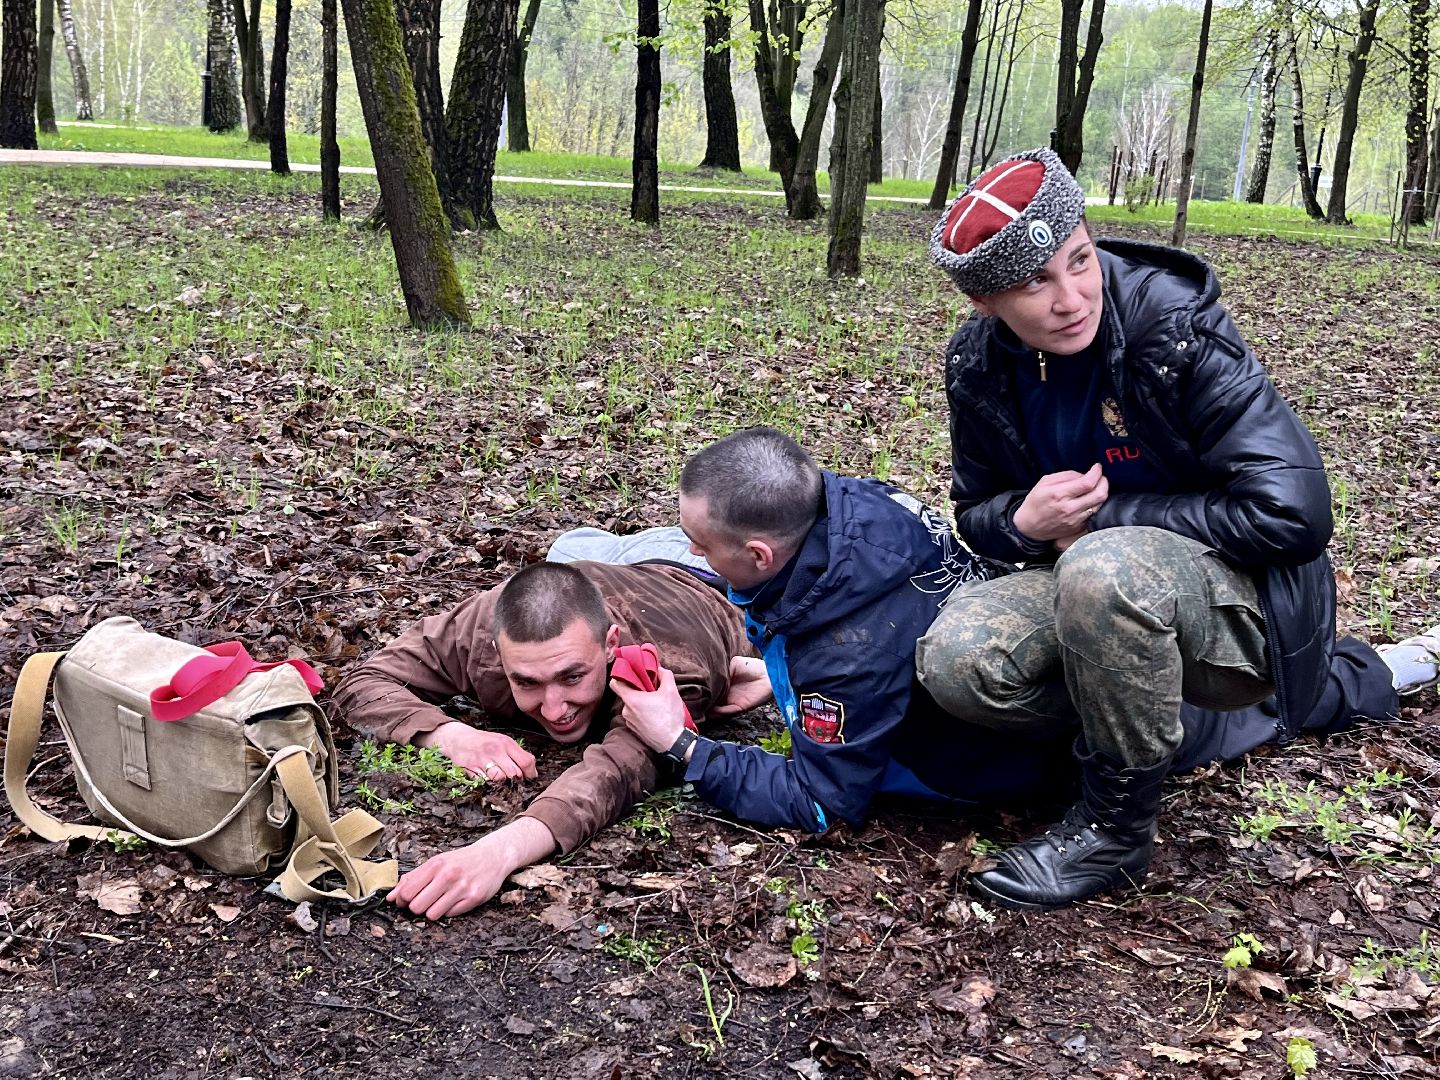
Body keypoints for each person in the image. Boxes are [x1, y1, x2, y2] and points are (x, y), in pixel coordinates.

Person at [920, 146, 1437, 911]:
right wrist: (1023, 520)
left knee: (1105, 566)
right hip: (1088, 594)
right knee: (958, 662)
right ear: (983, 302)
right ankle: (1153, 728)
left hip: (1237, 604)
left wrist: (1107, 518)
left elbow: (1295, 512)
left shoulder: (1172, 325)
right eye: (1035, 284)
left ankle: (1115, 832)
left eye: (1080, 261)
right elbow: (977, 512)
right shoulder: (977, 364)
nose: (1071, 297)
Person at [615, 426, 1097, 832]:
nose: (695, 553)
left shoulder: (845, 656)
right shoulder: (859, 502)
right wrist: (785, 678)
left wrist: (681, 744)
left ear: (760, 554)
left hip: (1002, 762)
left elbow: (822, 802)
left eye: (700, 544)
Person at [334, 560, 763, 919]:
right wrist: (450, 735)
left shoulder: (670, 666)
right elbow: (364, 681)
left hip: (700, 581)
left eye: (572, 677)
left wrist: (499, 852)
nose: (555, 709)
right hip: (595, 566)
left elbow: (617, 771)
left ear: (610, 645)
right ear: (498, 650)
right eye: (527, 682)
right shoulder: (478, 628)